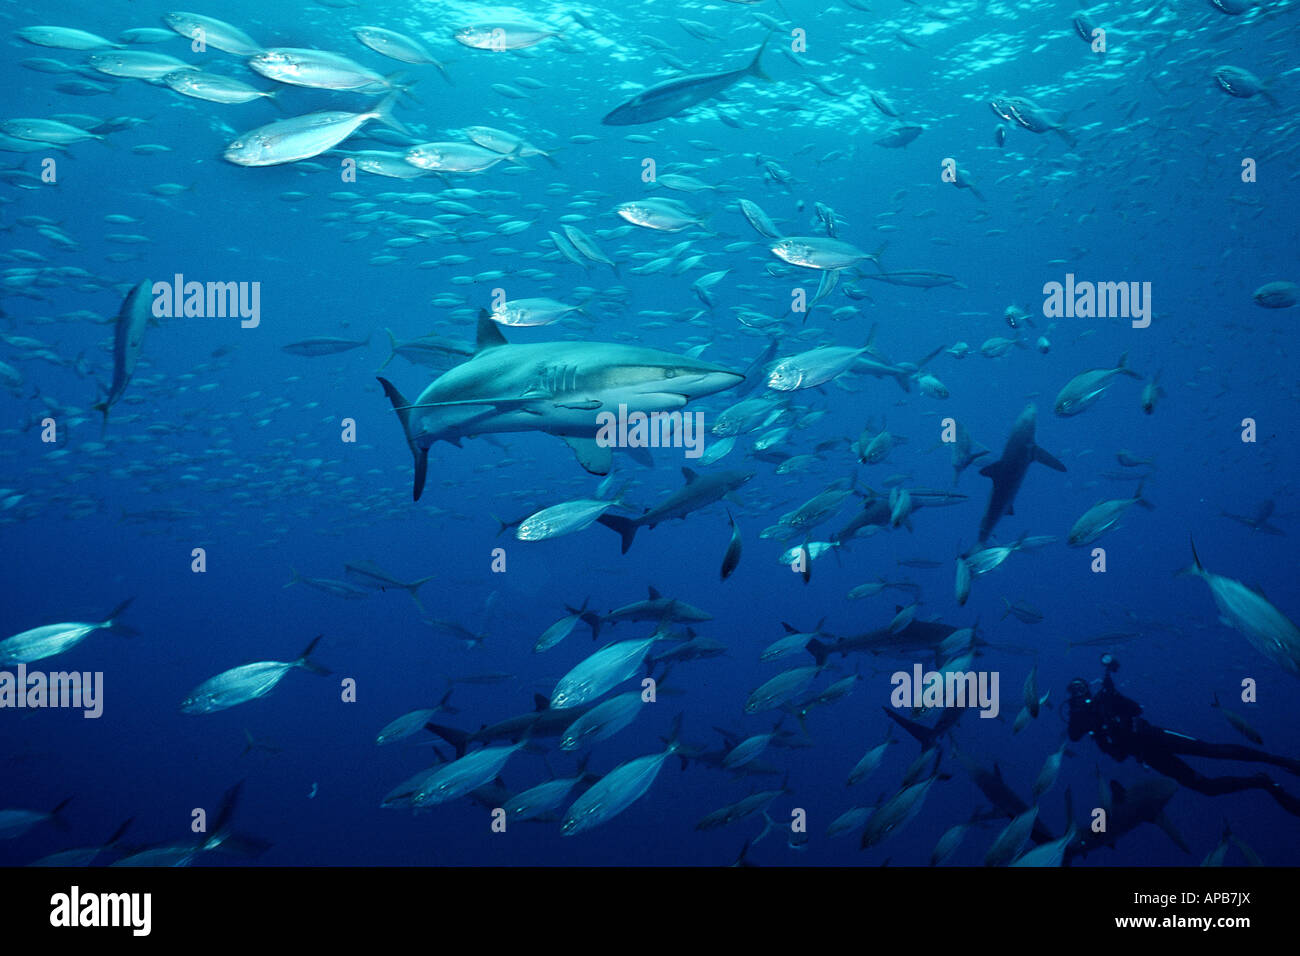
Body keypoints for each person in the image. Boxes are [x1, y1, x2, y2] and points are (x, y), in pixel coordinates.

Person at [1065, 654, 1300, 817]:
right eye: (1074, 691)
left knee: (1212, 751)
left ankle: (1279, 761)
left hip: (1155, 736)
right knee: (1206, 788)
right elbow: (1074, 736)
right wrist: (1078, 713)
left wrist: (1111, 698)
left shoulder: (1105, 697)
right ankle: (1262, 781)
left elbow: (1136, 709)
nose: (1079, 693)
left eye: (1081, 688)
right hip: (1147, 755)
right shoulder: (1083, 720)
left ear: (1088, 688)